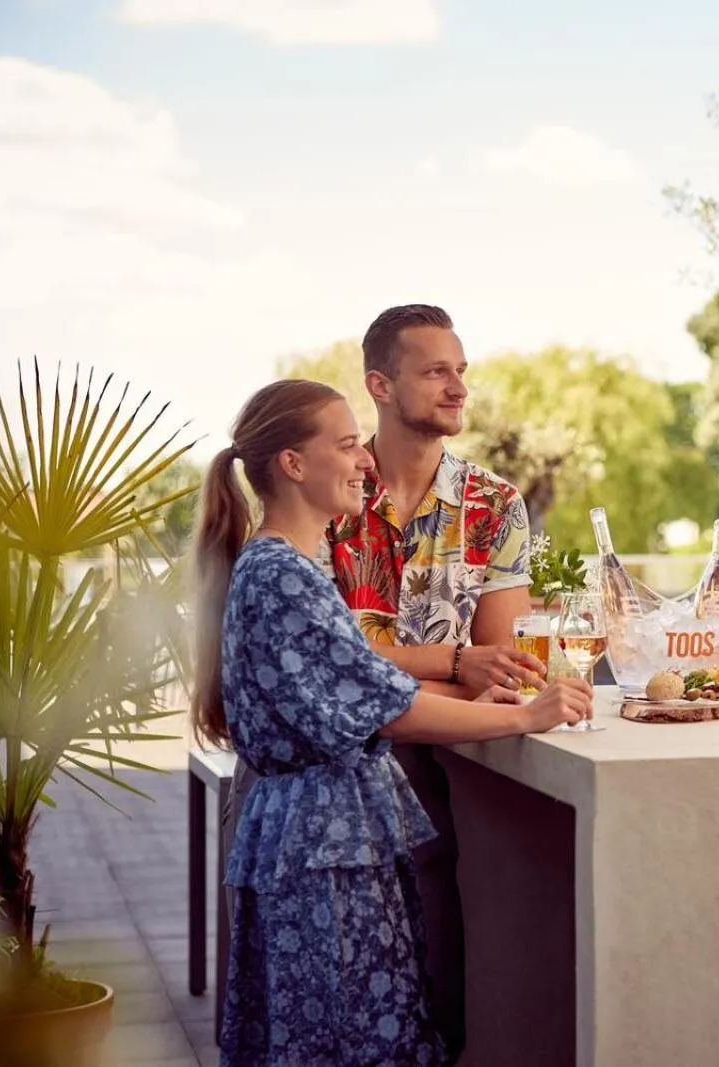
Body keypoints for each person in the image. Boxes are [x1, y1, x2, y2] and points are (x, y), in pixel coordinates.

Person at [191, 379, 593, 1067]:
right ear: (292, 463)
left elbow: (373, 684)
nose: (364, 462)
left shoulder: (284, 567)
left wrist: (477, 686)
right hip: (322, 850)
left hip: (319, 841)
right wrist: (527, 712)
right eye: (346, 445)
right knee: (347, 1040)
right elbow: (389, 703)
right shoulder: (282, 574)